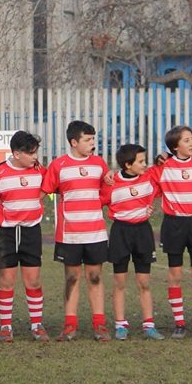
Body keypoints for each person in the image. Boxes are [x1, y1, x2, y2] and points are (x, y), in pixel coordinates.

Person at [42, 120, 111, 341]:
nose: (92, 143)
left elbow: (107, 191)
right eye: (87, 140)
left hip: (95, 232)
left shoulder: (100, 164)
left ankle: (99, 325)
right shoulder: (58, 165)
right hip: (69, 233)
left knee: (95, 276)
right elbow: (45, 188)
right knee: (72, 277)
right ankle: (69, 325)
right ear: (74, 142)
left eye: (94, 139)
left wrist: (94, 202)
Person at [0, 131, 49, 342]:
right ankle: (5, 326)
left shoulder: (39, 171)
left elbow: (53, 182)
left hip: (31, 231)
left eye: (36, 152)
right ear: (17, 154)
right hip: (7, 232)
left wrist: (39, 198)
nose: (35, 157)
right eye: (31, 153)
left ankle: (37, 325)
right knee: (7, 279)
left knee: (33, 280)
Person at [150, 126, 192, 339]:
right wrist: (157, 159)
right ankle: (179, 323)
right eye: (186, 140)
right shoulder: (164, 166)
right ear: (174, 146)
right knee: (175, 274)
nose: (191, 143)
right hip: (173, 225)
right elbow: (142, 179)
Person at [103, 143, 162, 340]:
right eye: (141, 161)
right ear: (128, 165)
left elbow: (169, 164)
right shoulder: (111, 183)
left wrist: (163, 155)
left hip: (143, 232)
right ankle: (120, 325)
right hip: (120, 232)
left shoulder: (150, 177)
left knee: (144, 281)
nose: (145, 164)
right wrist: (107, 175)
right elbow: (95, 194)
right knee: (120, 281)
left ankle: (149, 325)